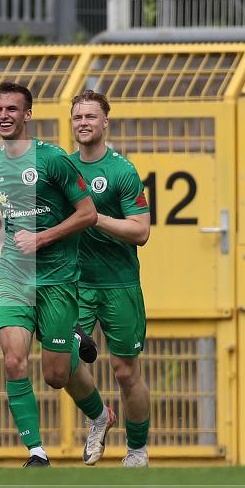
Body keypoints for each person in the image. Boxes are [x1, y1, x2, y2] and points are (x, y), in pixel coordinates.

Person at [0, 82, 110, 467]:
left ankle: (101, 413)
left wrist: (43, 238)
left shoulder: (54, 160)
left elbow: (87, 214)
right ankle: (36, 452)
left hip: (56, 279)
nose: (3, 116)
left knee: (56, 376)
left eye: (11, 109)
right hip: (13, 277)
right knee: (13, 360)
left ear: (28, 114)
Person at [69, 89, 152, 467]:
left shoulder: (122, 171)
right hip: (74, 284)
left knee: (125, 371)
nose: (83, 122)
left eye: (89, 116)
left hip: (119, 284)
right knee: (63, 360)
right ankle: (99, 416)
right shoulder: (62, 169)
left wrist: (94, 217)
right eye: (77, 117)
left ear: (105, 122)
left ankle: (136, 450)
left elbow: (141, 231)